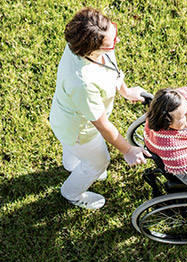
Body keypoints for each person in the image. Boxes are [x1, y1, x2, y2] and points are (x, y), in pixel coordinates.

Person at [49, 7, 150, 210]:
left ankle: (72, 164)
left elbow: (111, 68)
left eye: (113, 31)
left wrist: (126, 91)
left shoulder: (84, 45)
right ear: (92, 48)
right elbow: (103, 126)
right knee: (99, 162)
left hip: (63, 117)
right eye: (111, 42)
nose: (117, 41)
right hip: (80, 131)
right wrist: (128, 150)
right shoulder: (83, 83)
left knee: (74, 151)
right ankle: (72, 193)